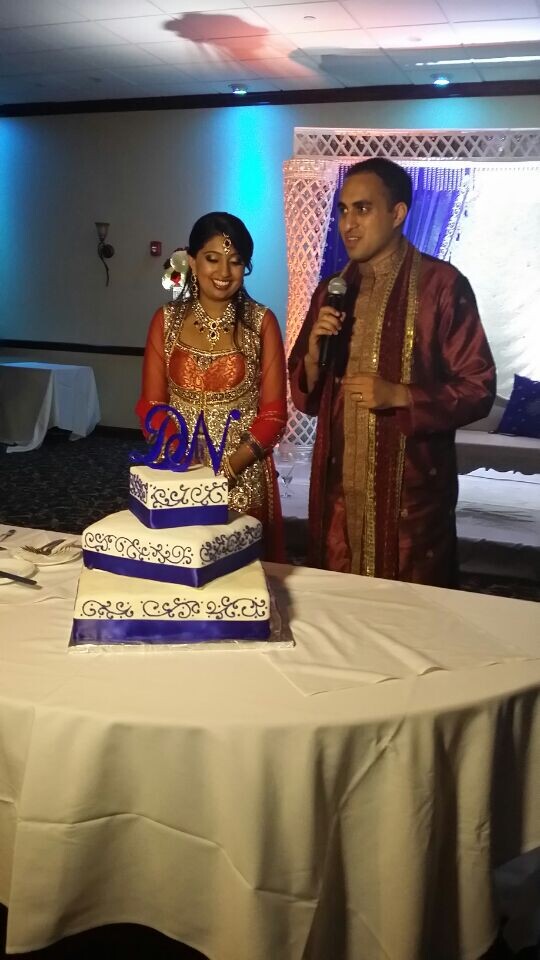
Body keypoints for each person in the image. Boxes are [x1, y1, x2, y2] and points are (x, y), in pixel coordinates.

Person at [289, 158, 496, 587]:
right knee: (340, 606)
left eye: (363, 209)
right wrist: (311, 359)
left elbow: (478, 387)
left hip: (409, 500)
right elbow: (307, 398)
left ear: (397, 213)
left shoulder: (441, 285)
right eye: (343, 210)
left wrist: (401, 395)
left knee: (410, 612)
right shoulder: (332, 290)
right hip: (340, 494)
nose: (348, 224)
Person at [137, 212, 287, 562]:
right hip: (180, 474)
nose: (223, 272)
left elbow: (274, 415)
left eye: (235, 261)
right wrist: (181, 459)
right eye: (212, 259)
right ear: (192, 261)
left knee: (242, 576)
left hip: (243, 477)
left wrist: (229, 469)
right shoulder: (166, 320)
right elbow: (151, 406)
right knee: (181, 567)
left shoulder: (261, 323)